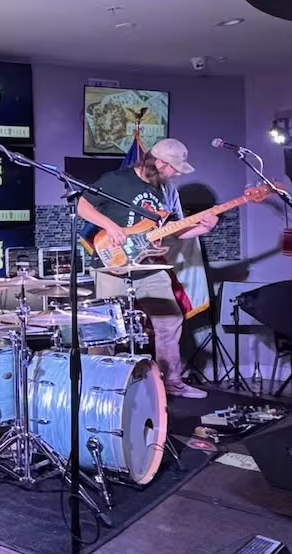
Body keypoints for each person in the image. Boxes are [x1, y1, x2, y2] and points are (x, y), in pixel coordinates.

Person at [75, 138, 216, 399]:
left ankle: (171, 382)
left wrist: (201, 228)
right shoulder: (117, 179)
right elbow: (83, 205)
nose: (175, 173)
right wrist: (110, 226)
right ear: (159, 163)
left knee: (169, 320)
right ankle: (99, 387)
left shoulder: (166, 190)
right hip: (111, 264)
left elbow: (172, 232)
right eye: (173, 167)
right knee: (105, 327)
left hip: (150, 265)